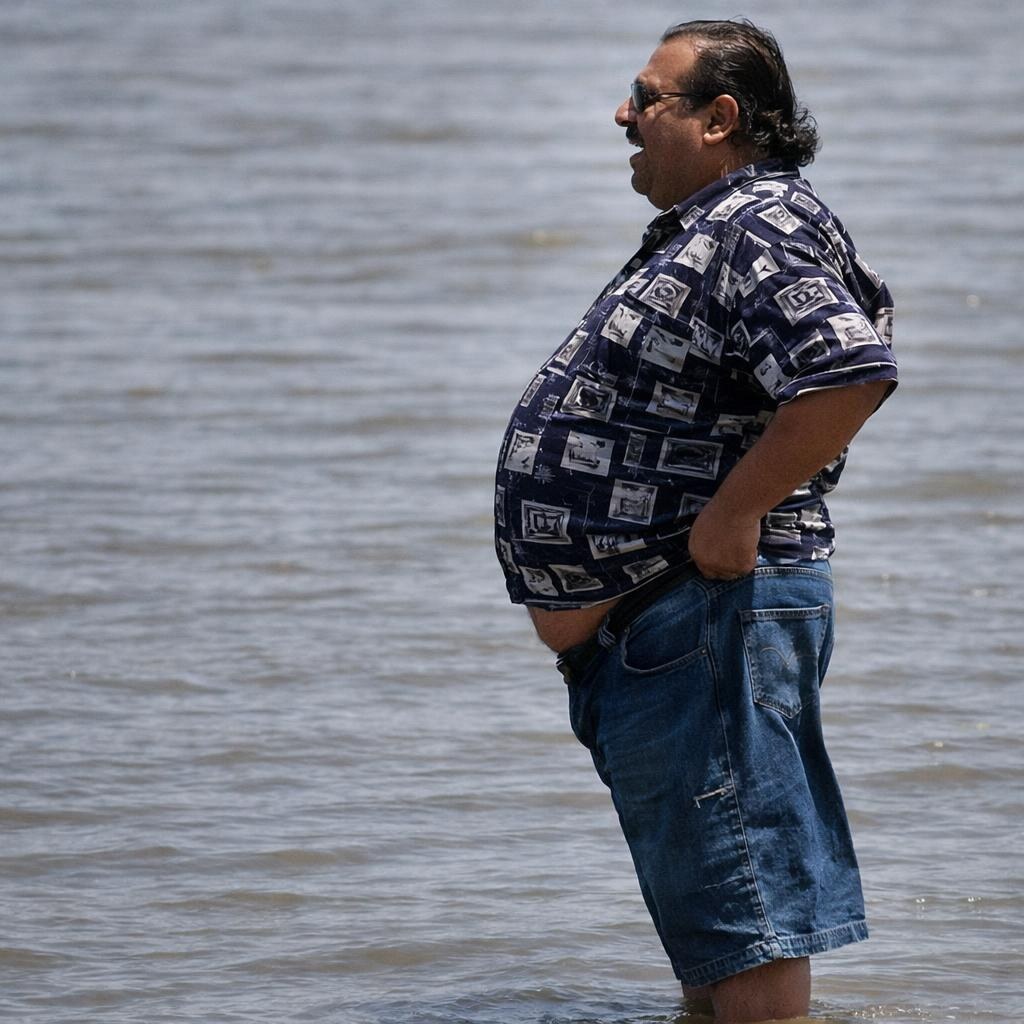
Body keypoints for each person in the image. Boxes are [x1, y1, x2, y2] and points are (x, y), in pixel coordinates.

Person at [493, 18, 898, 1024]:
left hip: (707, 613)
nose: (621, 115)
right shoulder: (714, 226)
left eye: (646, 96)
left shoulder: (757, 223)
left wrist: (735, 512)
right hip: (664, 637)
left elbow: (845, 373)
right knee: (720, 933)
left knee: (750, 928)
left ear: (720, 119)